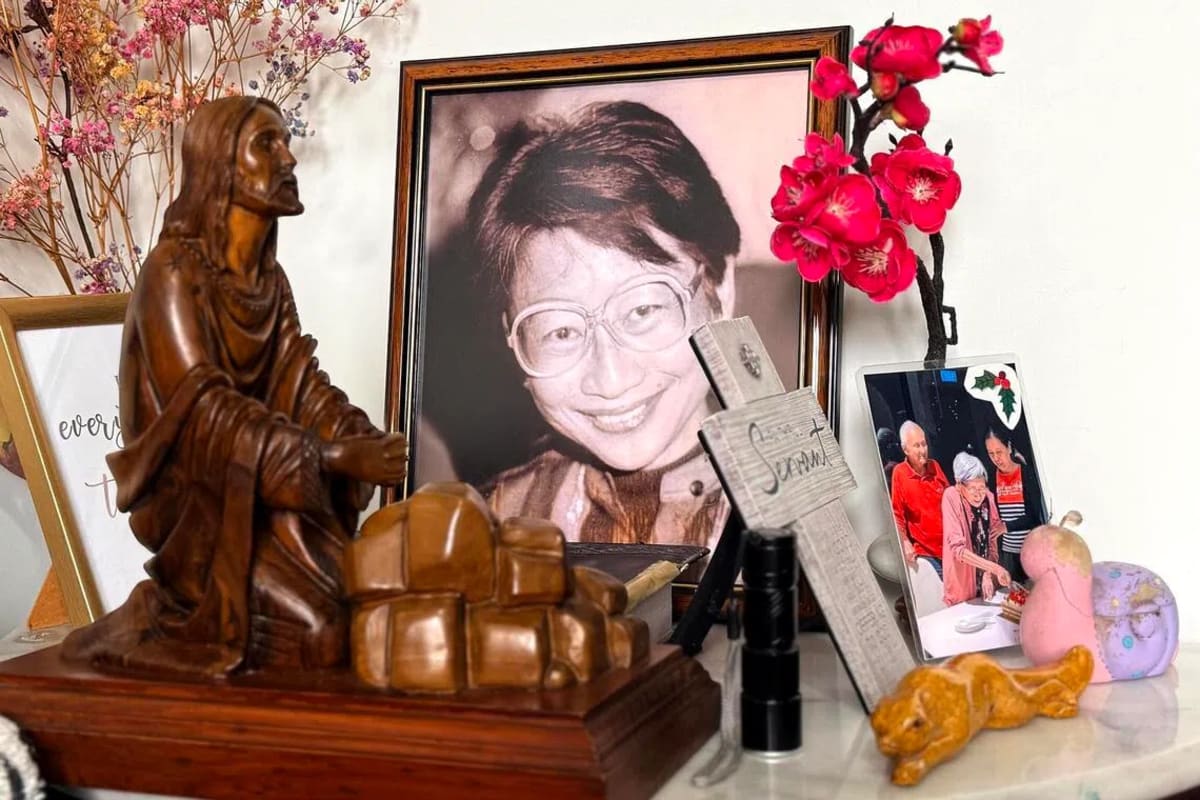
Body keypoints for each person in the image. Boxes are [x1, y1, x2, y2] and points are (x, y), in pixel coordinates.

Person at [63, 97, 408, 677]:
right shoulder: (173, 274)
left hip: (263, 490)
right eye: (266, 144)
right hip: (198, 510)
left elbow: (299, 379)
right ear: (220, 161)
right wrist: (328, 456)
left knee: (372, 597)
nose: (288, 158)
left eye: (284, 142)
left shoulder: (269, 280)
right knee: (323, 636)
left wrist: (360, 437)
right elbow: (202, 410)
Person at [472, 100, 739, 549]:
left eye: (642, 310)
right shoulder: (489, 526)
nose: (610, 380)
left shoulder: (798, 512)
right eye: (561, 331)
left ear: (720, 288)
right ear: (513, 340)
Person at [942, 452, 1010, 606]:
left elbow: (992, 539)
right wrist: (995, 569)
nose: (979, 494)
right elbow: (958, 550)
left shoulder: (989, 497)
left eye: (982, 487)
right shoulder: (951, 497)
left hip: (986, 582)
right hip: (962, 585)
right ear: (959, 485)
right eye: (973, 488)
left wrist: (988, 574)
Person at [984, 427, 1044, 585]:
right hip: (1008, 556)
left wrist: (1007, 527)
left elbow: (1034, 517)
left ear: (1009, 447)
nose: (996, 458)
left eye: (999, 452)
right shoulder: (991, 478)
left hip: (1031, 551)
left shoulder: (1025, 473)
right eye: (991, 454)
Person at [890, 421, 950, 576]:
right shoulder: (900, 473)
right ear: (905, 449)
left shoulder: (935, 466)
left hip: (952, 549)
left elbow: (952, 502)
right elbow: (897, 515)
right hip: (927, 554)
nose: (922, 450)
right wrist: (905, 542)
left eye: (924, 444)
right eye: (917, 446)